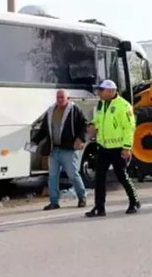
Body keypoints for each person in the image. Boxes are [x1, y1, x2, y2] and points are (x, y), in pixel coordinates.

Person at [85, 80, 140, 217]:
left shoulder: (124, 106)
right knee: (99, 177)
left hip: (118, 147)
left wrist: (127, 148)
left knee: (122, 176)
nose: (99, 93)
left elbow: (129, 128)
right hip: (103, 146)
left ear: (110, 91)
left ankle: (134, 201)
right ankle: (99, 207)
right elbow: (98, 119)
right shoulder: (101, 104)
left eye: (101, 90)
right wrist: (92, 125)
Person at [31, 89, 88, 210]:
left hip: (68, 150)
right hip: (54, 149)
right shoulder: (51, 111)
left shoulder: (74, 110)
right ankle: (54, 202)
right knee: (52, 176)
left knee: (73, 175)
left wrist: (80, 139)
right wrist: (34, 142)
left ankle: (82, 197)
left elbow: (84, 125)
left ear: (68, 98)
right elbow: (43, 130)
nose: (60, 100)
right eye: (58, 97)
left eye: (62, 97)